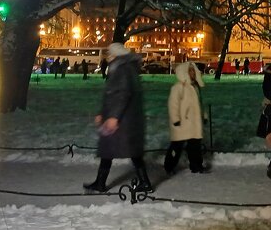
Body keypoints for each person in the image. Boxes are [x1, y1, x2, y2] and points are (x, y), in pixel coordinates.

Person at [84, 42, 151, 192]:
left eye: (109, 53)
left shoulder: (122, 68)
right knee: (115, 151)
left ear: (115, 54)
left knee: (123, 151)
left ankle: (144, 183)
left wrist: (114, 117)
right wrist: (103, 113)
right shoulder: (125, 67)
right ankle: (101, 182)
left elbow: (122, 94)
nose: (108, 56)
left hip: (122, 119)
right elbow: (114, 94)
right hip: (122, 117)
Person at [164, 62, 207, 174]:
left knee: (195, 145)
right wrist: (175, 119)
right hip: (182, 122)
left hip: (193, 122)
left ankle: (196, 165)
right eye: (190, 71)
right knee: (177, 146)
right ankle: (169, 166)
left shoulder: (195, 87)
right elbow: (173, 104)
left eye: (193, 70)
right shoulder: (178, 87)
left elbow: (200, 104)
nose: (192, 73)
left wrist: (204, 116)